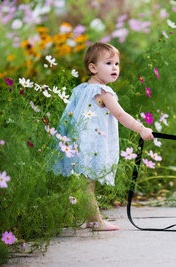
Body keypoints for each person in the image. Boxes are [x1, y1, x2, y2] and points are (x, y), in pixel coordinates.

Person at [53, 42, 154, 231]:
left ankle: (82, 216)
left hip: (76, 143)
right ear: (93, 68)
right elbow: (121, 115)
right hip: (90, 146)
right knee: (86, 184)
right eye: (108, 63)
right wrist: (141, 129)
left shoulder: (81, 89)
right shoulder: (104, 92)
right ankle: (95, 221)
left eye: (116, 63)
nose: (114, 68)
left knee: (82, 183)